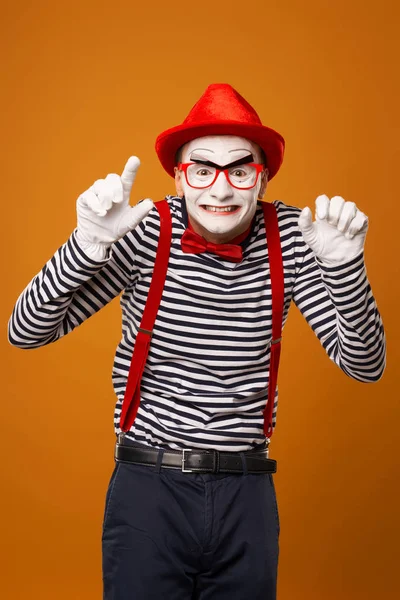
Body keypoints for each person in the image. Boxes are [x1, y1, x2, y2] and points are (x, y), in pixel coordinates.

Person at [8, 83, 386, 599]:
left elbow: (365, 365)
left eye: (240, 169)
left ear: (263, 175)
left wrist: (346, 269)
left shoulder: (297, 237)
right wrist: (88, 243)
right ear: (180, 177)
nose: (221, 189)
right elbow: (26, 332)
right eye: (203, 169)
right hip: (148, 492)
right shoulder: (144, 231)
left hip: (246, 496)